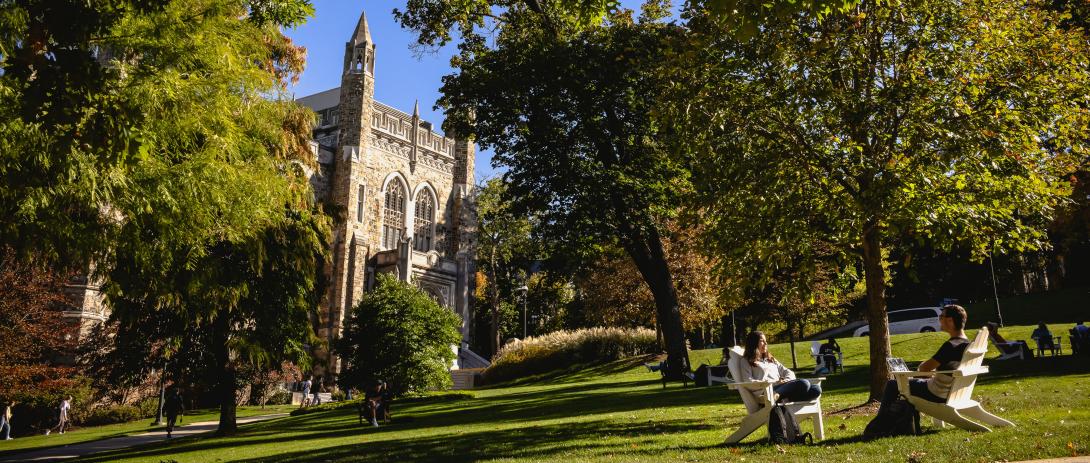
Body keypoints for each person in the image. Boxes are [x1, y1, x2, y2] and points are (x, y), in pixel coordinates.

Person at [875, 305, 968, 416]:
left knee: (892, 384)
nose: (939, 319)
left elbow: (924, 368)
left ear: (950, 320)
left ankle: (881, 421)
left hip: (937, 393)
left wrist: (923, 366)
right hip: (952, 391)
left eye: (941, 316)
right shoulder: (966, 344)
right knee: (911, 382)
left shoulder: (951, 345)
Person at [739, 331, 822, 403]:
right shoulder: (746, 361)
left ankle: (785, 399)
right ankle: (779, 396)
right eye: (762, 341)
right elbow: (748, 382)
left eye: (766, 341)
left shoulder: (770, 359)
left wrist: (786, 380)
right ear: (753, 343)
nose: (766, 343)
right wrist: (774, 383)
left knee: (816, 389)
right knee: (804, 383)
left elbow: (788, 372)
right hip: (765, 392)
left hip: (782, 388)